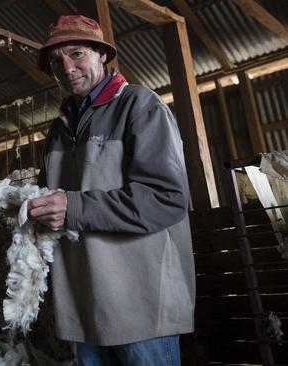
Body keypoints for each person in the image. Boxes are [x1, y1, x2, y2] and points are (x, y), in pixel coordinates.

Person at [28, 15, 195, 366]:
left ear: (102, 55)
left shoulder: (139, 106)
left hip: (140, 306)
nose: (67, 67)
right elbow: (57, 203)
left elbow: (167, 198)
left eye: (77, 54)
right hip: (85, 305)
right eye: (57, 62)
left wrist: (72, 208)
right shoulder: (59, 129)